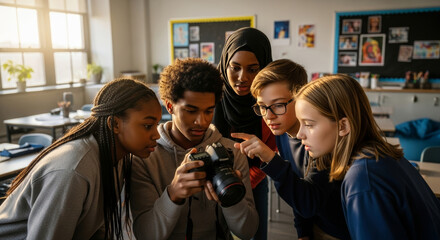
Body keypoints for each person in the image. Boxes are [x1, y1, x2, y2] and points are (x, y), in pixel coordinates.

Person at [240, 74, 440, 239]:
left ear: (343, 126)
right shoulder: (377, 154)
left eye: (309, 124)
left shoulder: (363, 179)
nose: (300, 134)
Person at [0, 78, 162, 240]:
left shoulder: (115, 158)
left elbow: (96, 228)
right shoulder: (73, 171)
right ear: (114, 124)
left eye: (157, 125)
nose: (157, 135)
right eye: (148, 125)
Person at [129, 58, 258, 240]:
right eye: (191, 110)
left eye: (209, 111)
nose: (202, 121)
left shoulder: (231, 152)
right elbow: (146, 235)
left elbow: (247, 231)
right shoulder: (145, 157)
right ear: (169, 106)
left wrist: (231, 199)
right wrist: (173, 194)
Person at [232, 60, 350, 239]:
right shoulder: (282, 132)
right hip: (315, 228)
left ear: (301, 97)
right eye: (262, 107)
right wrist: (303, 232)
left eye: (278, 105)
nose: (269, 116)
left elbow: (309, 202)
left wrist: (272, 160)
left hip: (340, 232)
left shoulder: (321, 139)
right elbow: (298, 185)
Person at [212, 27, 274, 240]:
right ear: (225, 64)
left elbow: (273, 148)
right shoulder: (211, 98)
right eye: (235, 67)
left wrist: (246, 182)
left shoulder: (270, 101)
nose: (242, 78)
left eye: (253, 69)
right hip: (212, 185)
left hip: (255, 182)